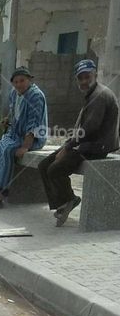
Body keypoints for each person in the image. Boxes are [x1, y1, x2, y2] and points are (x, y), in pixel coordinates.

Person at [38, 59, 119, 225]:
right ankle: (63, 203)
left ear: (95, 74)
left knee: (54, 169)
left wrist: (67, 147)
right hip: (85, 144)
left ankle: (71, 199)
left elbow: (90, 129)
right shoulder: (92, 94)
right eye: (80, 78)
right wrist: (68, 144)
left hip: (96, 147)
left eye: (87, 76)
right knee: (43, 165)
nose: (83, 81)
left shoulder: (99, 96)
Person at [0, 66, 48, 207]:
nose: (19, 84)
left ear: (30, 80)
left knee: (8, 151)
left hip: (32, 139)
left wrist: (25, 146)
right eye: (16, 82)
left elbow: (34, 123)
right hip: (15, 134)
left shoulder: (36, 96)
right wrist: (8, 120)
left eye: (22, 81)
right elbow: (14, 112)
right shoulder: (14, 93)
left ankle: (3, 191)